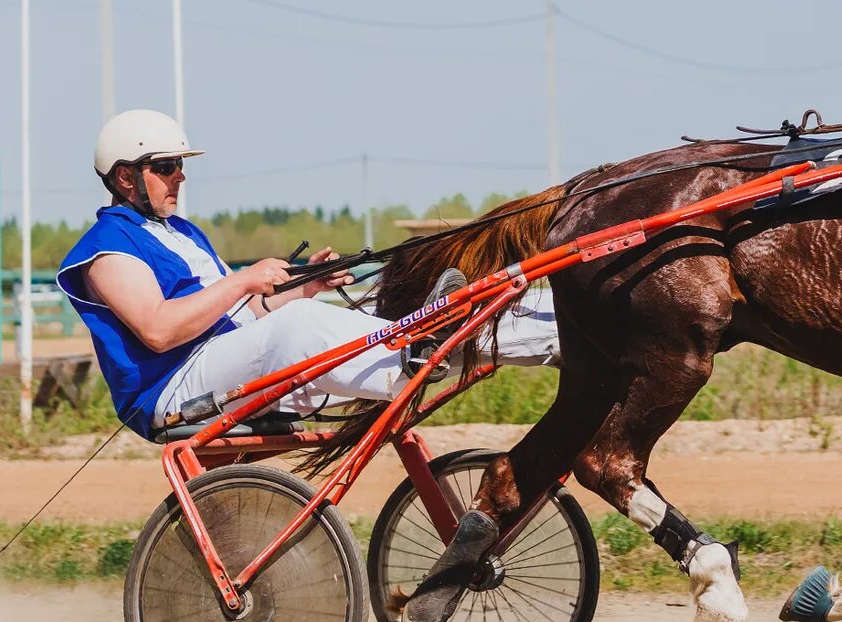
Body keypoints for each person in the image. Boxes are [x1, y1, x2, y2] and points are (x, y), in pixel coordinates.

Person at [58, 109, 559, 438]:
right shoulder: (107, 251)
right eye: (166, 166)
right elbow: (159, 330)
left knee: (315, 315)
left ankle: (554, 334)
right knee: (302, 329)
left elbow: (242, 315)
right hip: (173, 393)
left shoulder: (182, 232)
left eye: (179, 165)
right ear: (126, 176)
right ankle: (417, 349)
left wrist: (306, 286)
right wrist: (243, 278)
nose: (181, 176)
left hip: (224, 366)